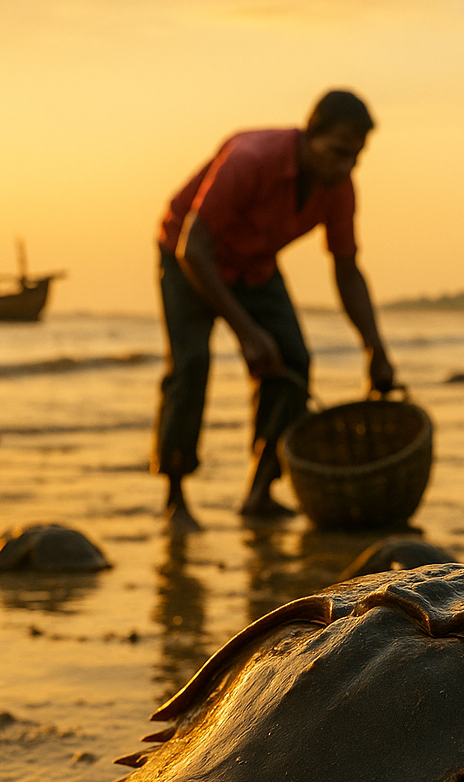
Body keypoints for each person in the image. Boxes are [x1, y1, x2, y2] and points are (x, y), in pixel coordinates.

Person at [153, 89, 396, 529]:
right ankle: (175, 496)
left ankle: (261, 490)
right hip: (190, 258)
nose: (346, 167)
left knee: (293, 362)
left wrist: (375, 348)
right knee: (191, 364)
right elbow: (195, 248)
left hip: (254, 264)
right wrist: (246, 332)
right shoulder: (251, 159)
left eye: (356, 157)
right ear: (309, 136)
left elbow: (346, 268)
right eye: (339, 152)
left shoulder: (338, 187)